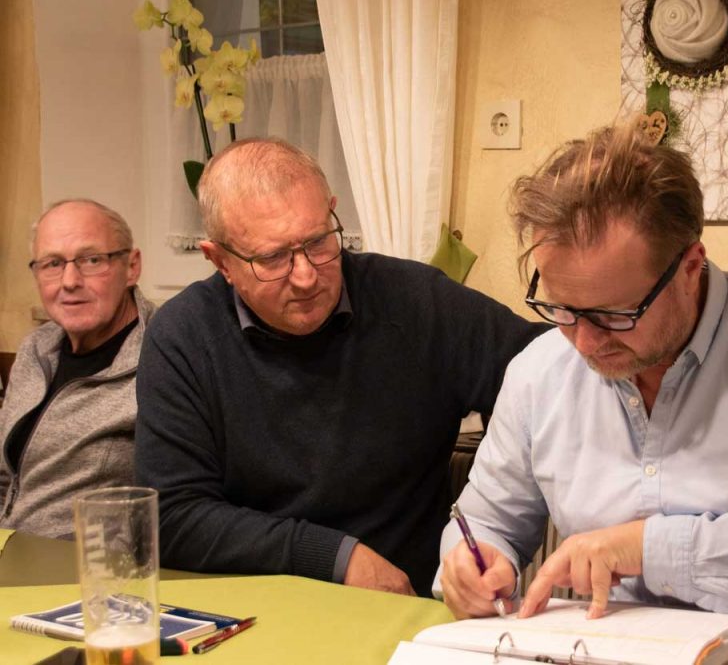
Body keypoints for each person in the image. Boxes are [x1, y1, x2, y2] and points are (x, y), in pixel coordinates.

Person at [438, 122, 728, 662]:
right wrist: (470, 563)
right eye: (562, 308)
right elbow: (483, 523)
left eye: (614, 314)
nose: (585, 343)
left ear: (691, 267)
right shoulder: (539, 371)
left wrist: (652, 548)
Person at [134, 138, 548, 597]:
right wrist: (335, 557)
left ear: (332, 212)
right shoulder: (184, 336)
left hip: (405, 607)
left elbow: (551, 375)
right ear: (220, 261)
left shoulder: (416, 302)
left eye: (318, 242)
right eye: (272, 258)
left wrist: (500, 521)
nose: (306, 275)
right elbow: (170, 516)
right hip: (254, 604)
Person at [0, 199, 154, 539]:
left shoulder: (163, 357)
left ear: (132, 266)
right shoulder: (36, 348)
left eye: (91, 260)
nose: (69, 281)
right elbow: (5, 477)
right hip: (12, 552)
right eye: (52, 263)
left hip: (84, 563)